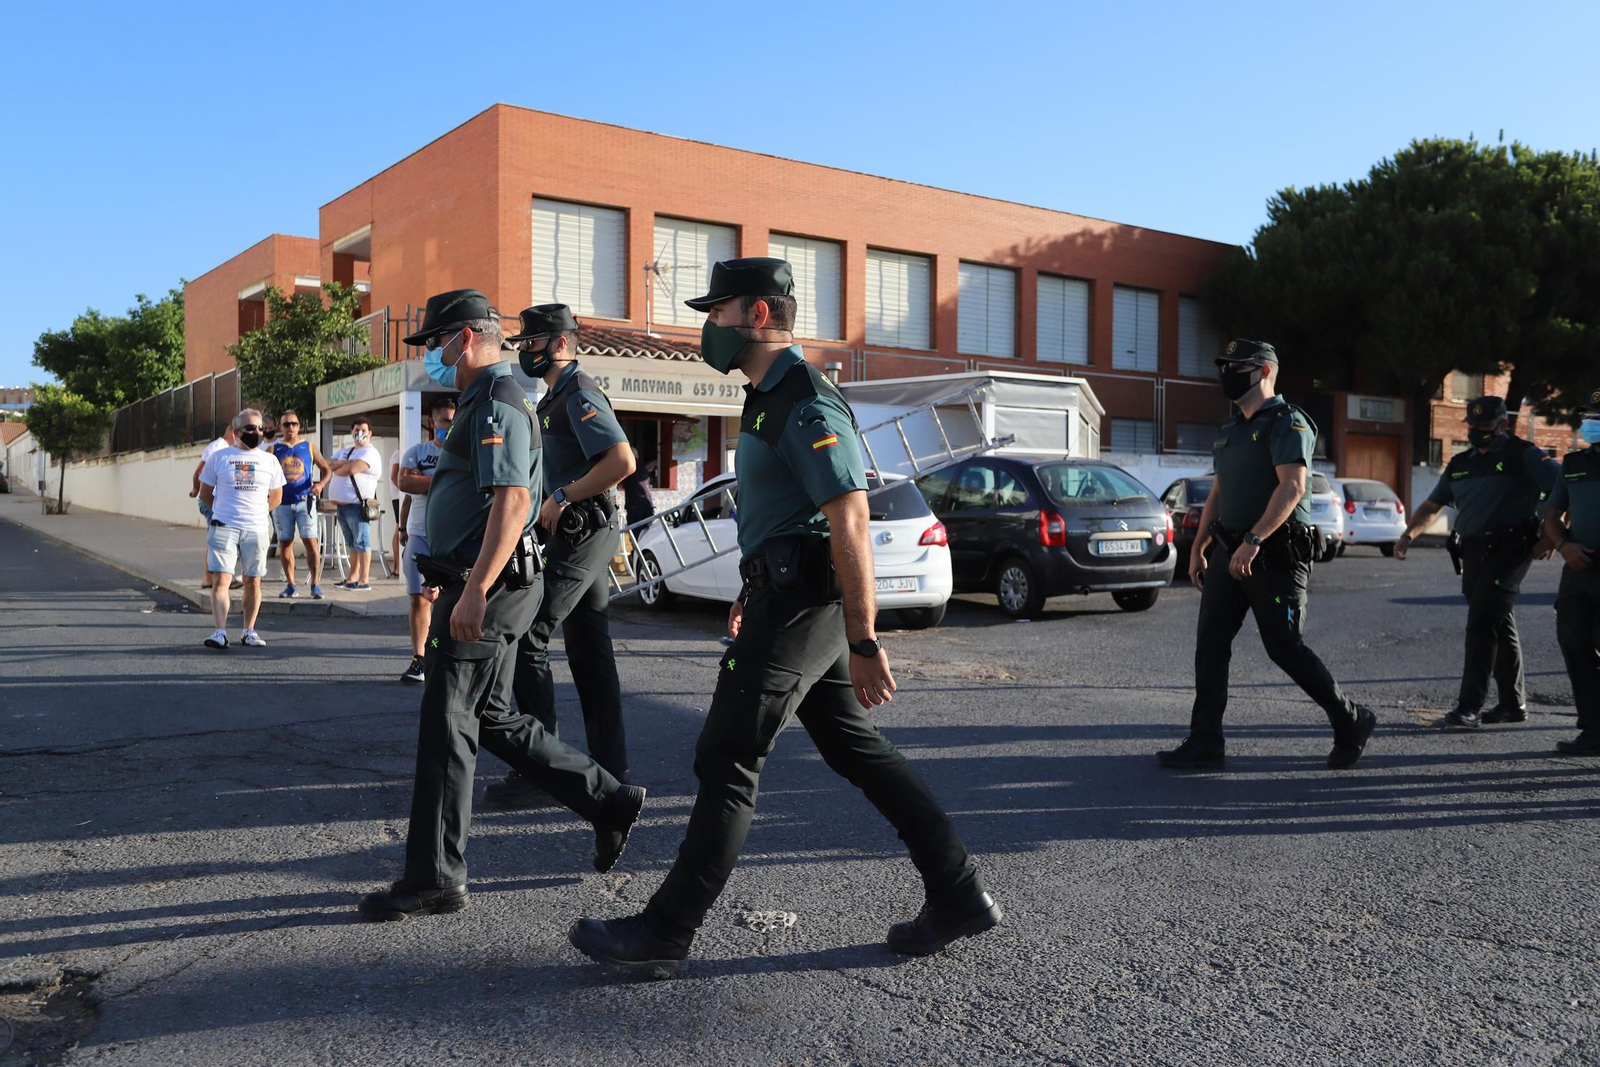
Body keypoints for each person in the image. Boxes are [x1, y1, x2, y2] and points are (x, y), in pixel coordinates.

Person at [569, 258, 998, 977]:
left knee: (726, 755)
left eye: (718, 311)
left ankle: (667, 929)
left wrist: (865, 638)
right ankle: (956, 891)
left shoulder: (805, 398)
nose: (707, 326)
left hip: (804, 605)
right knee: (850, 746)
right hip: (782, 592)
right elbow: (784, 513)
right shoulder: (765, 396)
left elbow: (850, 518)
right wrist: (752, 579)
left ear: (758, 315)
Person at [358, 289, 644, 921]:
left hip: (492, 586)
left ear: (464, 339)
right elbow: (476, 493)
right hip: (481, 579)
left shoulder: (496, 400)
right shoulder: (484, 399)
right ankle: (609, 799)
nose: (430, 355)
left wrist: (477, 588)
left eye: (434, 343)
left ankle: (435, 875)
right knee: (489, 717)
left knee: (447, 721)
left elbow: (514, 501)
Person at [1157, 339, 1377, 771]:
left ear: (1263, 371)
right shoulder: (1230, 428)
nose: (1226, 374)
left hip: (1273, 553)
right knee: (1211, 645)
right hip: (1228, 551)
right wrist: (1200, 545)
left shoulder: (1287, 422)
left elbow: (1293, 487)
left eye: (1236, 367)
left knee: (1285, 648)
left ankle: (1351, 720)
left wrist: (1253, 540)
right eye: (1225, 366)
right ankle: (1205, 742)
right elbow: (1219, 490)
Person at [484, 304, 636, 808]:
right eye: (523, 344)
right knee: (590, 652)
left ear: (562, 344)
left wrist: (565, 494)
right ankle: (611, 770)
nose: (525, 351)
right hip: (577, 533)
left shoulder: (580, 391)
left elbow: (622, 460)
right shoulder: (555, 397)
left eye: (533, 343)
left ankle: (539, 769)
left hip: (585, 529)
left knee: (530, 632)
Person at [1396, 395, 1559, 729]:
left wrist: (1553, 534)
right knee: (1498, 622)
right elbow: (1432, 505)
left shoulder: (1524, 455)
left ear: (1503, 424)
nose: (1477, 431)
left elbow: (1563, 488)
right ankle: (1513, 704)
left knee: (1482, 622)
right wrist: (1408, 534)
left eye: (1485, 426)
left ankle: (1469, 707)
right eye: (1472, 425)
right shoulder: (1461, 463)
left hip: (1510, 550)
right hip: (1471, 551)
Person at [1542, 388, 1600, 755]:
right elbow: (1551, 516)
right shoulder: (1573, 464)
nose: (1589, 425)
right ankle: (1593, 730)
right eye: (1589, 418)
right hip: (1579, 567)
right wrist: (1564, 546)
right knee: (1574, 643)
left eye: (1597, 418)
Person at [198, 410, 285, 649]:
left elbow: (277, 495)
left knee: (253, 581)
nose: (256, 432)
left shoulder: (270, 460)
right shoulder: (220, 457)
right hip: (224, 526)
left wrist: (257, 511)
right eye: (250, 428)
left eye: (259, 428)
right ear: (236, 432)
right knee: (221, 579)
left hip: (256, 529)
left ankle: (249, 631)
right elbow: (205, 494)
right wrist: (223, 512)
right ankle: (220, 632)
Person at [395, 396, 456, 685]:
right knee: (420, 600)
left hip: (453, 538)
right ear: (432, 423)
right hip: (420, 535)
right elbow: (405, 483)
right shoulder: (416, 452)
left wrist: (427, 481)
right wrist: (445, 480)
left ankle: (445, 655)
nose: (450, 425)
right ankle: (419, 659)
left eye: (454, 420)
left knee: (450, 600)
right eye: (445, 420)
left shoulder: (465, 452)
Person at [270, 410, 331, 599]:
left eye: (294, 424)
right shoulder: (273, 450)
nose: (290, 427)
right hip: (282, 504)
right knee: (285, 543)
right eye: (286, 424)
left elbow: (327, 469)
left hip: (305, 502)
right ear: (281, 427)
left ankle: (315, 584)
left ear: (299, 426)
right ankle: (291, 584)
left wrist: (320, 484)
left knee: (311, 542)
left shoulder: (309, 447)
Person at [326, 417, 382, 590]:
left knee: (362, 542)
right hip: (342, 506)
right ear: (351, 432)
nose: (360, 433)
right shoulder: (347, 451)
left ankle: (364, 580)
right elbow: (327, 464)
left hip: (357, 505)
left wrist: (341, 466)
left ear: (370, 433)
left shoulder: (369, 452)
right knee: (352, 544)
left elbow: (351, 470)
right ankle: (352, 578)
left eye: (364, 430)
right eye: (356, 430)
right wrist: (343, 463)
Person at [190, 425, 236, 589]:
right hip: (212, 500)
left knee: (215, 538)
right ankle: (219, 576)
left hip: (216, 500)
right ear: (233, 432)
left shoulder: (222, 447)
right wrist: (196, 488)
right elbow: (200, 471)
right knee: (220, 538)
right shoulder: (218, 448)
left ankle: (209, 577)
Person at [621, 450, 657, 528]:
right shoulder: (643, 468)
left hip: (634, 506)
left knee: (636, 534)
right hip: (647, 504)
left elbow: (619, 486)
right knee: (647, 534)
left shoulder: (628, 470)